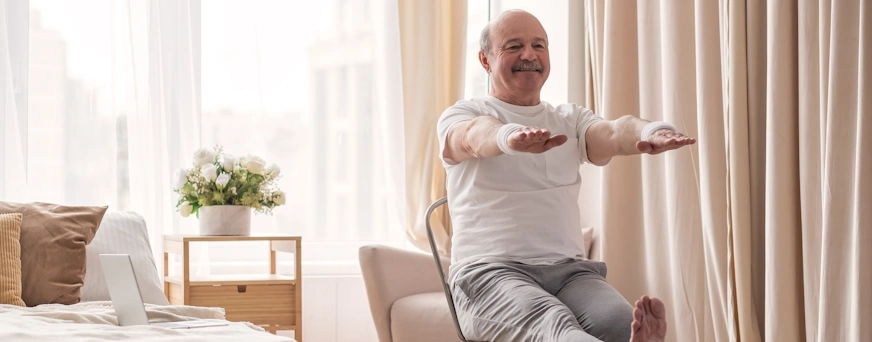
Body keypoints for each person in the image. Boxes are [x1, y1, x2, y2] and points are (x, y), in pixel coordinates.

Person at [436, 9, 696, 342]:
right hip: (490, 274)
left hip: (572, 274)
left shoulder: (568, 119)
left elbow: (614, 131)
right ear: (485, 60)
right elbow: (474, 135)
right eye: (513, 46)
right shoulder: (464, 113)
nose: (529, 54)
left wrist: (653, 130)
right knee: (555, 327)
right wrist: (508, 137)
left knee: (618, 324)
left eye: (538, 45)